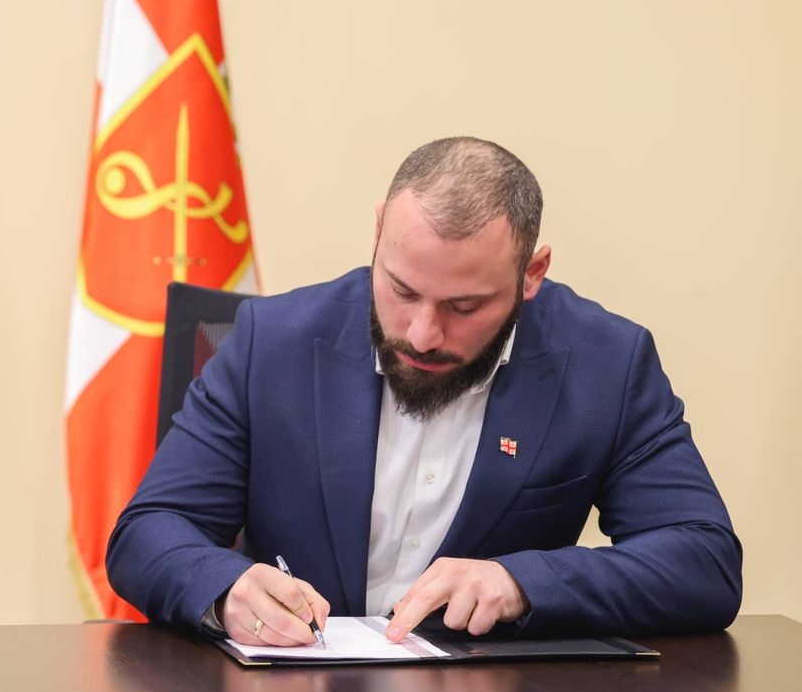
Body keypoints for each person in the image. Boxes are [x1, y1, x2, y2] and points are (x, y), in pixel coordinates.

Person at [106, 137, 740, 647]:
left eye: (464, 306)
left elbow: (703, 561)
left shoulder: (607, 365)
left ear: (532, 274)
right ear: (378, 234)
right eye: (402, 290)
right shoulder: (271, 344)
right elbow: (148, 532)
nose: (421, 334)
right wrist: (227, 587)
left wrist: (522, 581)